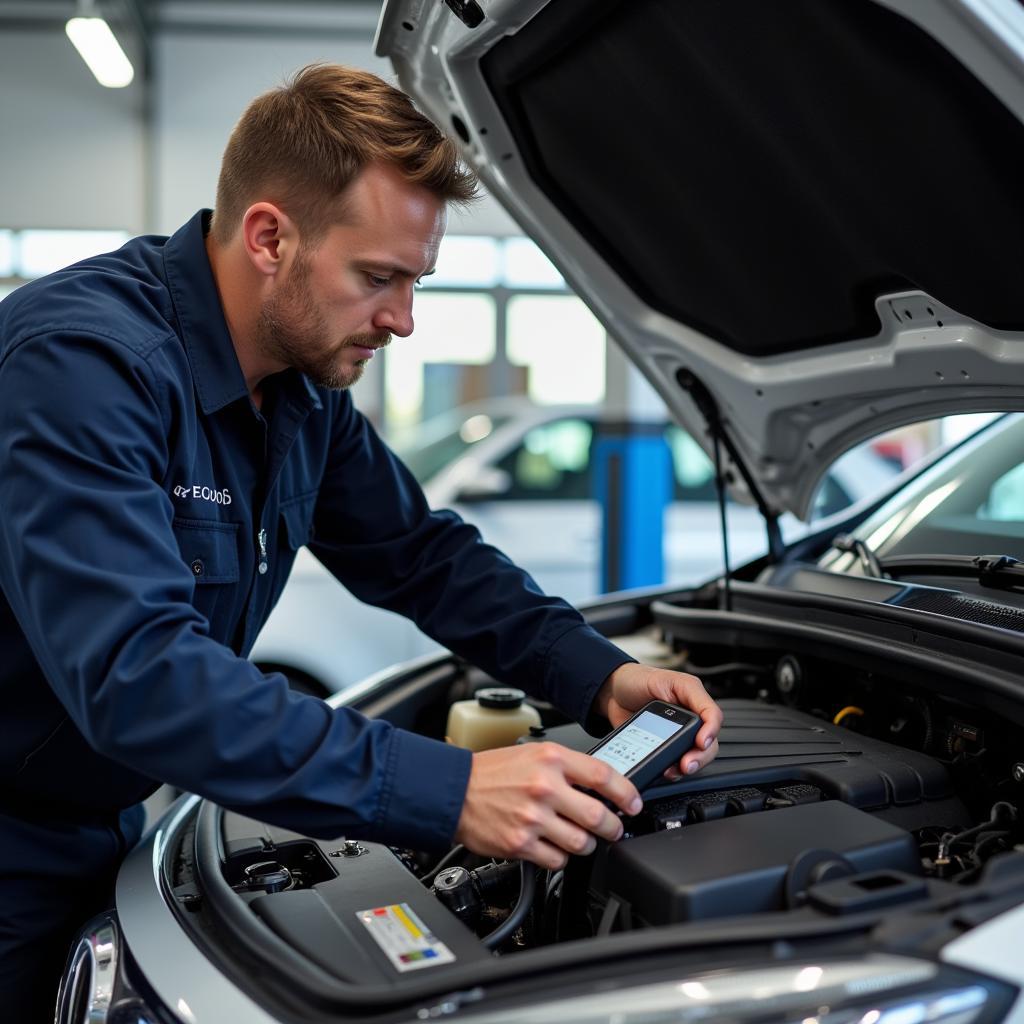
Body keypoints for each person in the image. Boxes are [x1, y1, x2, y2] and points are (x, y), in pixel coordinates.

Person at [0, 64, 722, 1019]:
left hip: (96, 818)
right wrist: (447, 788)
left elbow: (422, 552)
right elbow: (141, 677)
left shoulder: (300, 391)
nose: (404, 321)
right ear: (269, 236)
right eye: (377, 278)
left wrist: (595, 673)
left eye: (414, 282)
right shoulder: (81, 366)